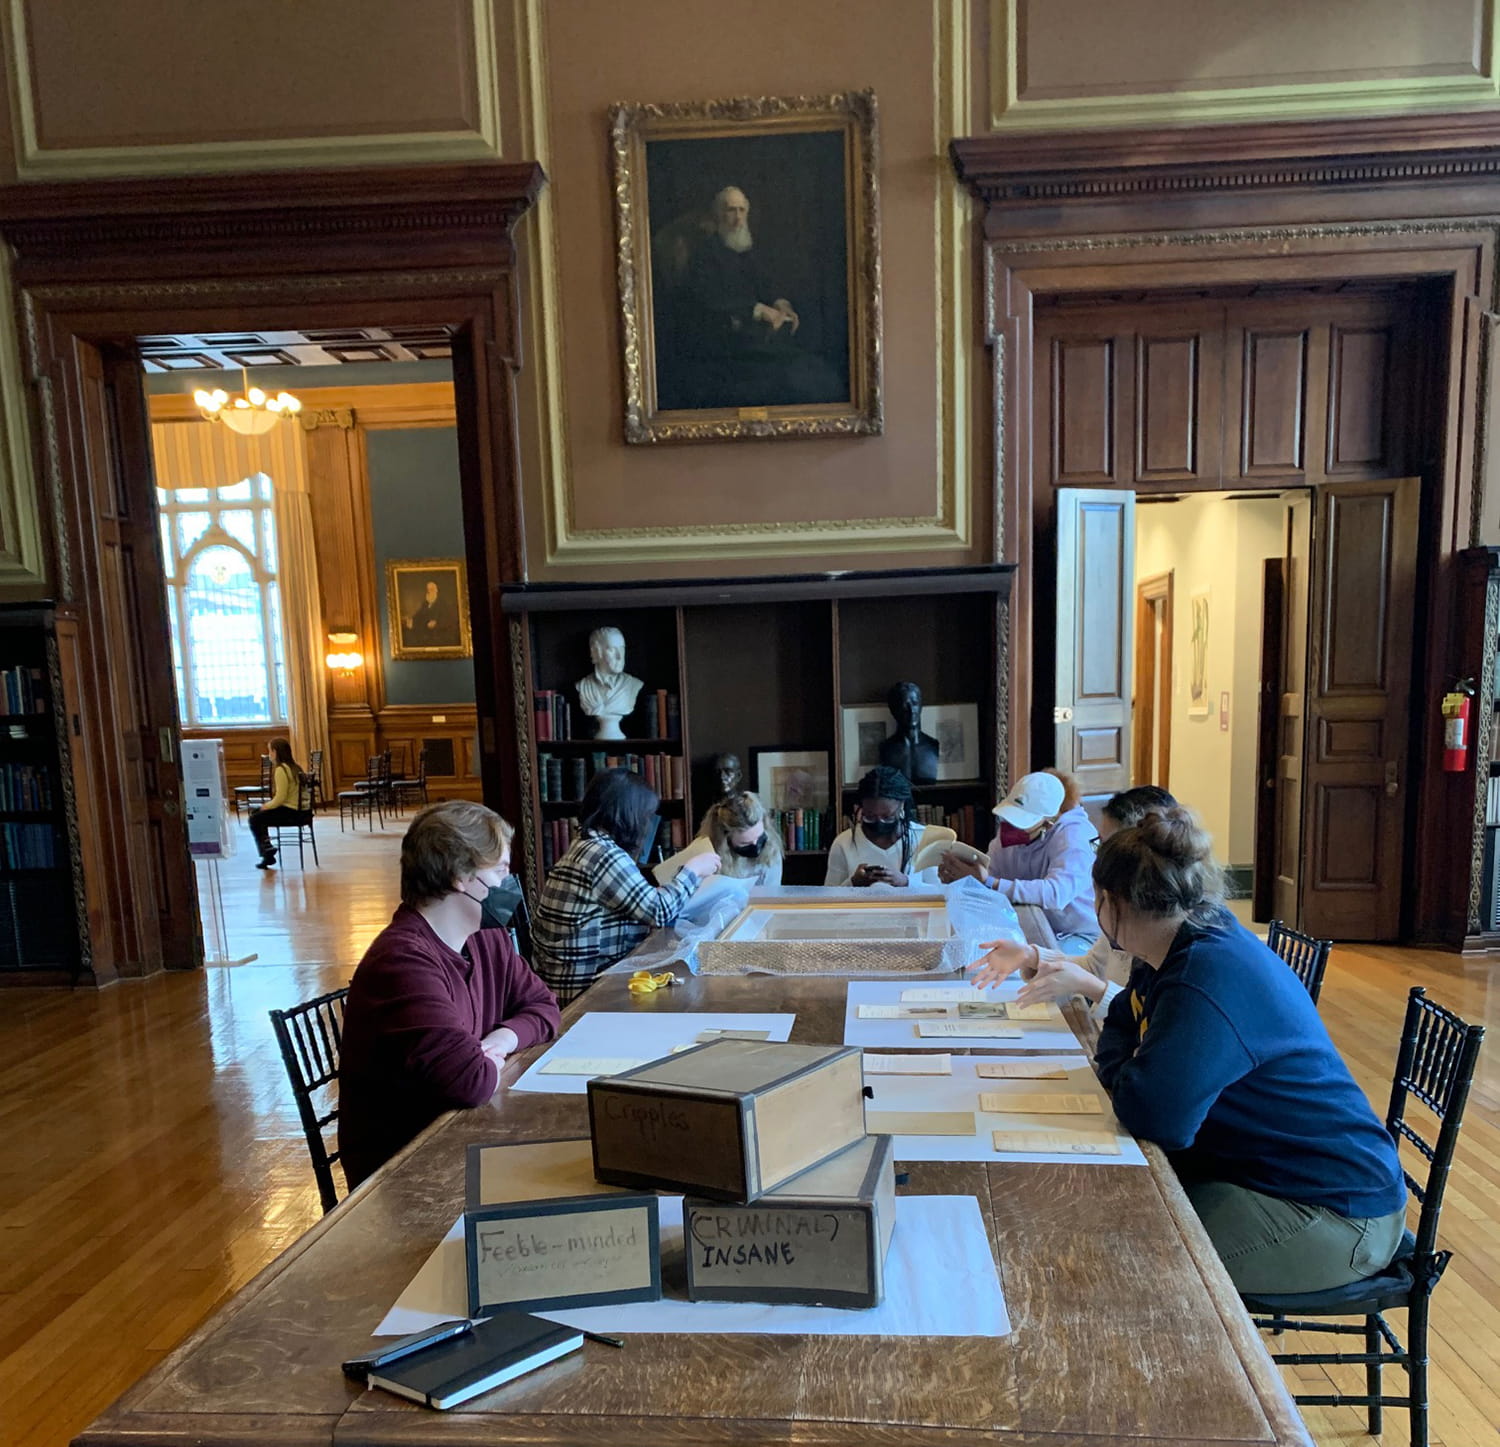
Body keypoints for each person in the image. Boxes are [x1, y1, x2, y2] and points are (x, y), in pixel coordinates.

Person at [1087, 806, 1407, 1294]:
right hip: (1271, 1177)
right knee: (1111, 1219)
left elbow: (1156, 1117)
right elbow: (1122, 1024)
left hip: (1333, 1212)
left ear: (1112, 903)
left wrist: (1127, 1070)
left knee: (1133, 1262)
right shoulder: (1181, 941)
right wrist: (1129, 1068)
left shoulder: (1203, 973)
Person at [336, 801, 561, 1189]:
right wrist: (482, 1062)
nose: (510, 883)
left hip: (467, 1141)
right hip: (405, 1176)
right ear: (461, 875)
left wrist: (499, 1041)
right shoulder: (401, 963)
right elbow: (470, 1081)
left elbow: (544, 1007)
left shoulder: (487, 940)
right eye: (501, 870)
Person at [968, 786, 1177, 1015]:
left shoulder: (1168, 933)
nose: (1098, 856)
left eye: (1106, 845)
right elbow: (1093, 966)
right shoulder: (1127, 909)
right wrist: (1031, 956)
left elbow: (1152, 1016)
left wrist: (1093, 989)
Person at [531, 767, 720, 1001]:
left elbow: (632, 903)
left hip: (566, 979)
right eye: (645, 816)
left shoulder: (587, 844)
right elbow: (658, 911)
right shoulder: (602, 854)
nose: (647, 824)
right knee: (690, 992)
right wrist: (693, 870)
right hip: (582, 989)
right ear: (629, 813)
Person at [655, 185, 844, 410]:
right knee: (801, 374)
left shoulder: (747, 249)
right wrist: (759, 310)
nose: (738, 218)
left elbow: (765, 285)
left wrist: (780, 304)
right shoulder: (704, 254)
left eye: (742, 211)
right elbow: (711, 299)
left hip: (756, 337)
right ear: (718, 215)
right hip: (724, 342)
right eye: (731, 211)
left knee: (816, 366)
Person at [939, 769, 1098, 952]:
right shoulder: (1010, 833)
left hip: (1078, 935)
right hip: (1031, 925)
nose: (1013, 827)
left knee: (1040, 966)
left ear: (1050, 821)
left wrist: (989, 882)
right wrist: (966, 879)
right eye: (1011, 817)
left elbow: (1055, 894)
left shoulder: (1076, 837)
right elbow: (992, 881)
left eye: (1022, 822)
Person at [824, 766, 926, 887]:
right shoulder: (843, 843)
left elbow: (941, 894)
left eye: (887, 816)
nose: (880, 822)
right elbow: (829, 897)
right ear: (861, 808)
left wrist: (905, 882)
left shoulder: (924, 838)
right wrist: (853, 883)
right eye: (870, 816)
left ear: (902, 806)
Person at [701, 790, 784, 886]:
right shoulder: (707, 858)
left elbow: (772, 894)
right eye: (745, 843)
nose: (755, 845)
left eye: (760, 837)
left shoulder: (771, 849)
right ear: (725, 840)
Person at [575, 626, 644, 741]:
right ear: (596, 652)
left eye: (622, 649)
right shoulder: (582, 686)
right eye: (612, 649)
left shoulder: (633, 685)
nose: (619, 656)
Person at [248, 737, 306, 869]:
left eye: (269, 751)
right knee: (258, 815)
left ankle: (266, 852)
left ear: (275, 752)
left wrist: (265, 806)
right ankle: (267, 848)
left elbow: (280, 798)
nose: (269, 754)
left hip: (290, 813)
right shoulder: (295, 767)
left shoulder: (281, 770)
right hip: (301, 811)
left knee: (255, 818)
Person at [877, 681, 939, 785]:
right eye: (905, 705)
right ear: (894, 709)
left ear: (921, 706)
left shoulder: (933, 745)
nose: (911, 711)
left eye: (915, 704)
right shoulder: (886, 748)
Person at [405, 578, 459, 648]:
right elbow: (419, 615)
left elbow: (449, 620)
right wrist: (412, 620)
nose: (430, 592)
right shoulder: (425, 604)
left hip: (439, 635)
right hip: (427, 635)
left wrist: (436, 623)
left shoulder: (443, 604)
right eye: (428, 590)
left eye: (432, 589)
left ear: (436, 590)